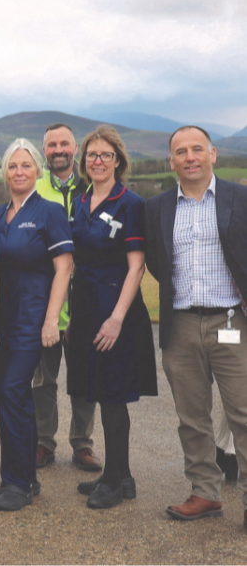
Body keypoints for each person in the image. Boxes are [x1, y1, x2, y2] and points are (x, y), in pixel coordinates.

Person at [144, 125, 247, 525]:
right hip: (181, 323)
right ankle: (205, 492)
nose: (190, 157)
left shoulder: (240, 198)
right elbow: (156, 262)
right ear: (171, 161)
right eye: (181, 151)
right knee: (192, 418)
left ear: (212, 154)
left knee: (243, 414)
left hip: (231, 322)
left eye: (197, 149)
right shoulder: (156, 208)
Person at [67, 125, 157, 509]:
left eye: (106, 154)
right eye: (92, 154)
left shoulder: (130, 203)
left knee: (113, 395)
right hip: (86, 308)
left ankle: (114, 480)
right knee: (99, 391)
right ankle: (123, 475)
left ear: (118, 160)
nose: (98, 160)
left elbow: (137, 267)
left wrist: (117, 318)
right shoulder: (79, 201)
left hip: (116, 310)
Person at [0, 138, 74, 511]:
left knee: (12, 391)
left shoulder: (50, 212)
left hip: (32, 318)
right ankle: (26, 477)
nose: (19, 172)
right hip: (0, 321)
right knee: (9, 395)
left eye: (26, 165)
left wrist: (52, 319)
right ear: (5, 172)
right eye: (12, 166)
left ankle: (17, 482)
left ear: (37, 170)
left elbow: (64, 268)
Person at [33, 124, 100, 472]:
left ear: (75, 148)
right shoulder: (34, 188)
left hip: (86, 298)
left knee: (84, 377)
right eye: (51, 145)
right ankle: (43, 442)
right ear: (44, 150)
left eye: (64, 144)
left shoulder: (93, 187)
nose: (58, 150)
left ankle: (82, 444)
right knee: (42, 380)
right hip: (46, 301)